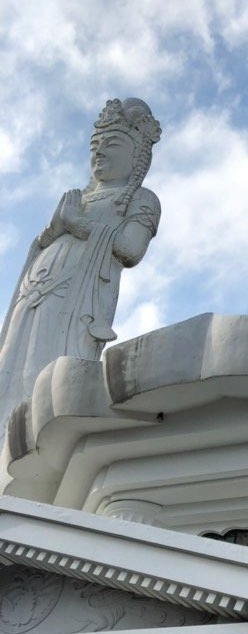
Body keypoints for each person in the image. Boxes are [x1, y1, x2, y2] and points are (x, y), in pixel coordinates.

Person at [0, 98, 162, 425]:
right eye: (95, 146)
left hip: (75, 304)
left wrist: (77, 223)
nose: (99, 153)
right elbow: (45, 242)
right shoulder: (79, 198)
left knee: (44, 374)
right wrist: (54, 229)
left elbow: (131, 248)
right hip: (33, 299)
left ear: (136, 154)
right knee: (10, 372)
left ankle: (35, 436)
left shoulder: (141, 199)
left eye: (111, 144)